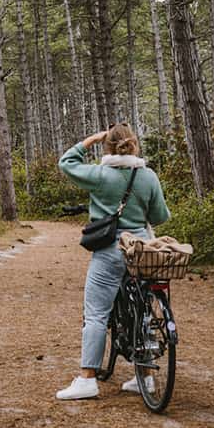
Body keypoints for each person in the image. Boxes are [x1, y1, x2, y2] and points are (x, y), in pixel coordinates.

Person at [54, 122, 170, 400]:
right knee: (142, 309)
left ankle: (87, 380)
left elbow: (66, 162)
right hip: (142, 249)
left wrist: (91, 139)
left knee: (95, 313)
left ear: (107, 147)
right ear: (135, 144)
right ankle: (146, 377)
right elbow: (159, 217)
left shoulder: (100, 175)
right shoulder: (148, 176)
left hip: (110, 249)